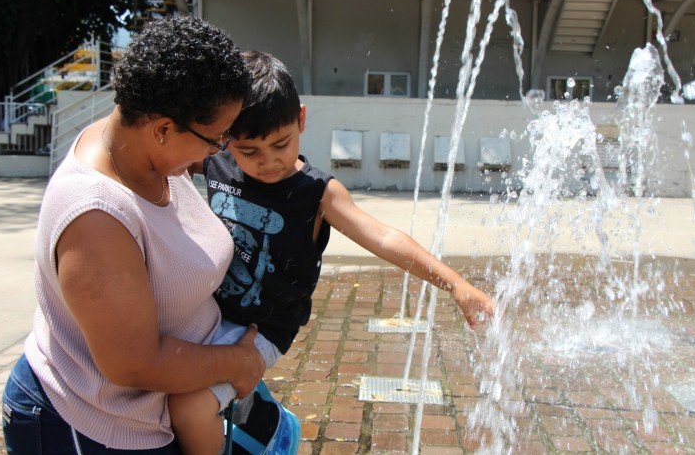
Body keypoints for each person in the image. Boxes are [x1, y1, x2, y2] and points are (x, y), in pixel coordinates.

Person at [171, 50, 496, 453]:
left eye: (281, 144)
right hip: (210, 310)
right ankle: (255, 413)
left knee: (187, 407)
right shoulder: (216, 163)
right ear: (223, 138)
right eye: (249, 151)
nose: (268, 162)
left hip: (263, 328)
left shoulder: (317, 194)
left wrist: (456, 284)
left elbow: (383, 237)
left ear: (302, 120)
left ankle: (266, 427)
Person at [1, 16, 267, 453]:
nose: (218, 152)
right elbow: (134, 362)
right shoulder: (96, 217)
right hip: (90, 425)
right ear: (162, 129)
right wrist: (235, 362)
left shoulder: (141, 151)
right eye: (217, 138)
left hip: (149, 416)